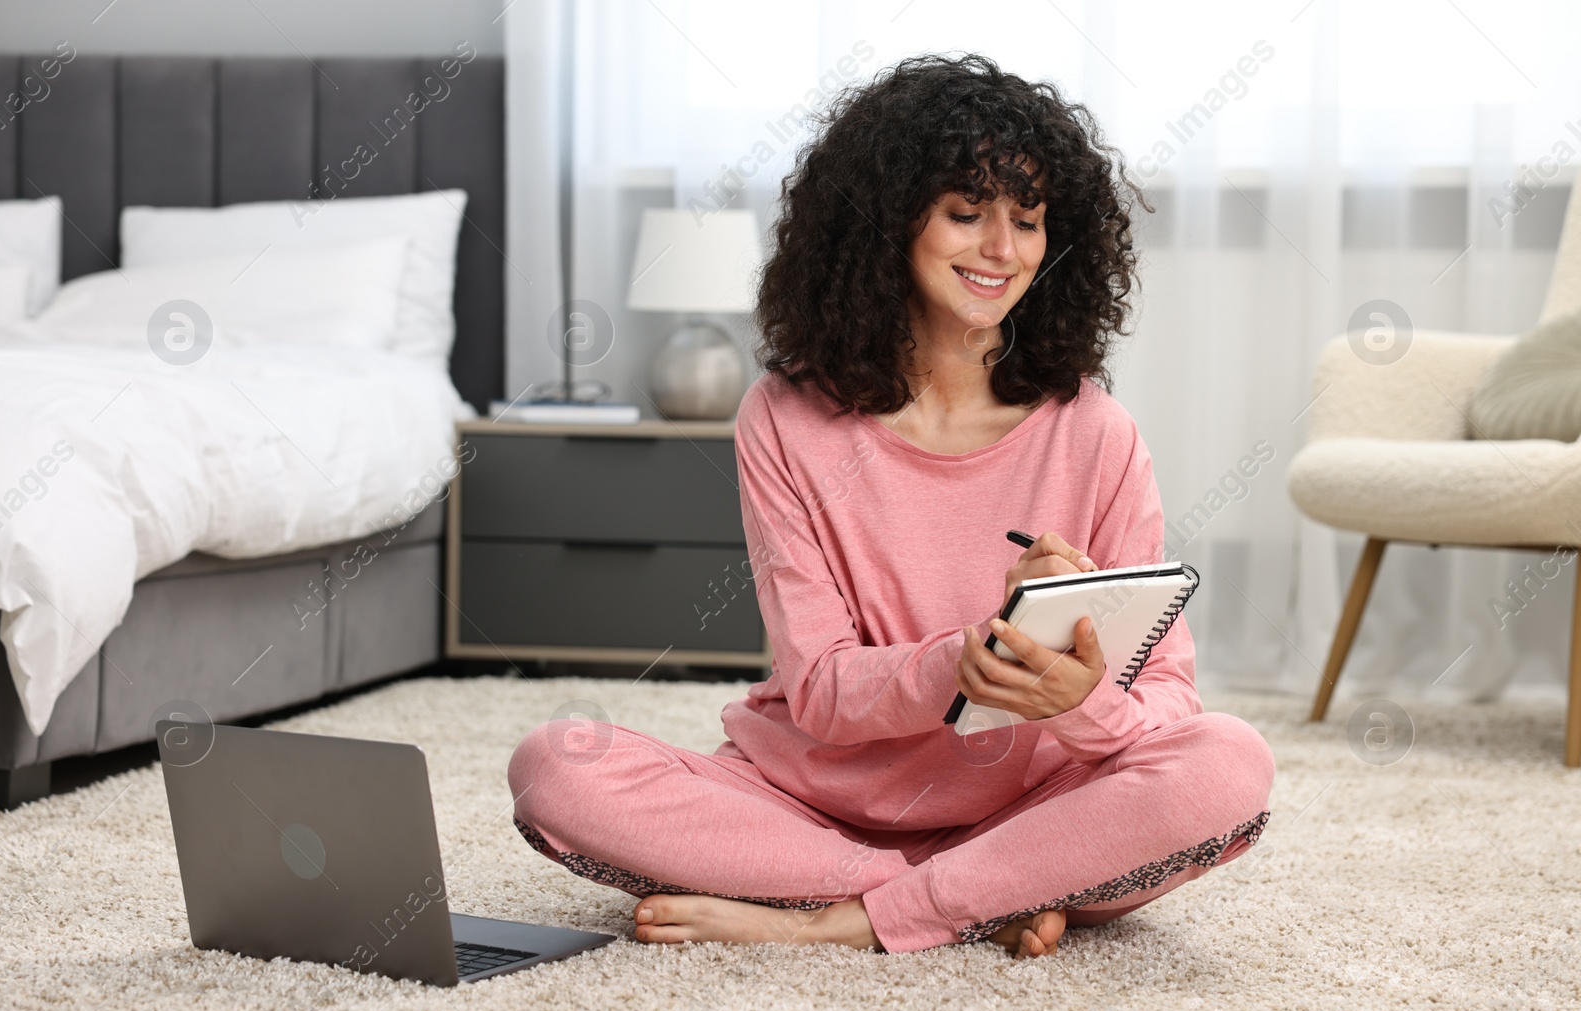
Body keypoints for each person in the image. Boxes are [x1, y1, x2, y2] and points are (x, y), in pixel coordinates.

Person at [508, 54, 1275, 958]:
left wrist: (1078, 700)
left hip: (1029, 804)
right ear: (884, 226)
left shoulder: (1095, 430)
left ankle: (850, 916)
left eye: (1027, 222)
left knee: (1231, 762)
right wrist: (965, 662)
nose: (1002, 250)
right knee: (557, 765)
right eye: (966, 214)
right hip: (813, 803)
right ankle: (982, 892)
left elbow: (1170, 707)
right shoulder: (787, 416)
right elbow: (824, 688)